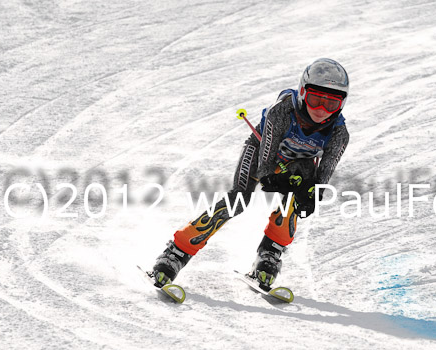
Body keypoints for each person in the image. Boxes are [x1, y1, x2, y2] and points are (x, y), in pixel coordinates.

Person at [149, 58, 350, 290]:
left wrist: (311, 194)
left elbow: (321, 181)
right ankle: (176, 252)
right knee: (238, 201)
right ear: (303, 92)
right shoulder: (282, 112)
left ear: (342, 104)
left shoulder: (339, 134)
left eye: (331, 104)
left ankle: (270, 254)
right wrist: (273, 177)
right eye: (315, 100)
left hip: (297, 165)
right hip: (261, 151)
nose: (321, 110)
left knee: (298, 199)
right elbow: (265, 167)